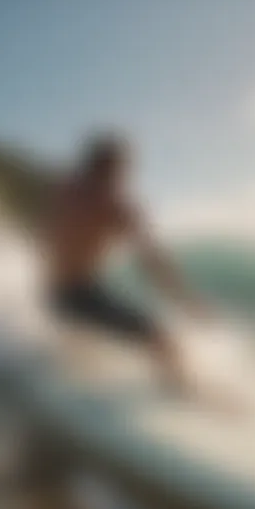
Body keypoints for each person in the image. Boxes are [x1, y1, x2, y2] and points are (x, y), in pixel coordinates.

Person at [46, 133, 209, 397]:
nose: (126, 175)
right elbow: (151, 259)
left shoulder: (67, 191)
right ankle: (183, 394)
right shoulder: (116, 206)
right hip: (78, 294)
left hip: (59, 292)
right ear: (116, 169)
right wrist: (188, 301)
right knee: (161, 339)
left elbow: (54, 234)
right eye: (124, 168)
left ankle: (78, 382)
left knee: (83, 342)